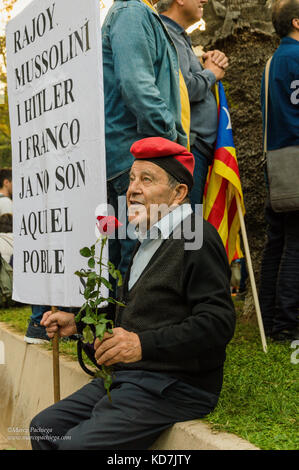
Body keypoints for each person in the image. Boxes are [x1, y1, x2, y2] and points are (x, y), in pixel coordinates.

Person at [30, 137, 236, 450]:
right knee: (43, 429)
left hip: (175, 385)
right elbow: (134, 310)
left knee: (75, 446)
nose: (132, 189)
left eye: (147, 179)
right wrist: (80, 321)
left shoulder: (198, 240)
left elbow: (218, 323)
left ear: (178, 193)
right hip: (130, 376)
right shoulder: (147, 238)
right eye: (131, 179)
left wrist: (143, 345)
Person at [102, 0, 190, 282]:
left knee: (131, 261)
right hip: (139, 161)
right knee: (139, 262)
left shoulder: (137, 12)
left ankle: (122, 324)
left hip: (137, 159)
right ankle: (126, 326)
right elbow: (136, 87)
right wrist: (172, 139)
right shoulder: (131, 12)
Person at [156, 0, 229, 207]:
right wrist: (211, 74)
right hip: (190, 148)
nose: (204, 0)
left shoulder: (179, 37)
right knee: (189, 227)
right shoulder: (168, 35)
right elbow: (182, 88)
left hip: (199, 149)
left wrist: (208, 62)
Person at [259, 0, 299, 342]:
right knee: (297, 243)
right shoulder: (297, 58)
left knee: (278, 242)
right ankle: (286, 324)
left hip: (276, 161)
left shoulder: (273, 61)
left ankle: (269, 315)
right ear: (297, 23)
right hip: (297, 159)